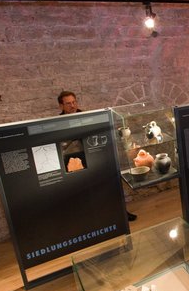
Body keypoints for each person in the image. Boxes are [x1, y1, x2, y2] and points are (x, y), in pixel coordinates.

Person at [57, 90, 137, 222]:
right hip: (73, 161)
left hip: (93, 157)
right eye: (68, 103)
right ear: (61, 106)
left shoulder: (88, 117)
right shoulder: (57, 123)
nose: (72, 105)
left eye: (74, 102)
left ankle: (121, 213)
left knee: (111, 184)